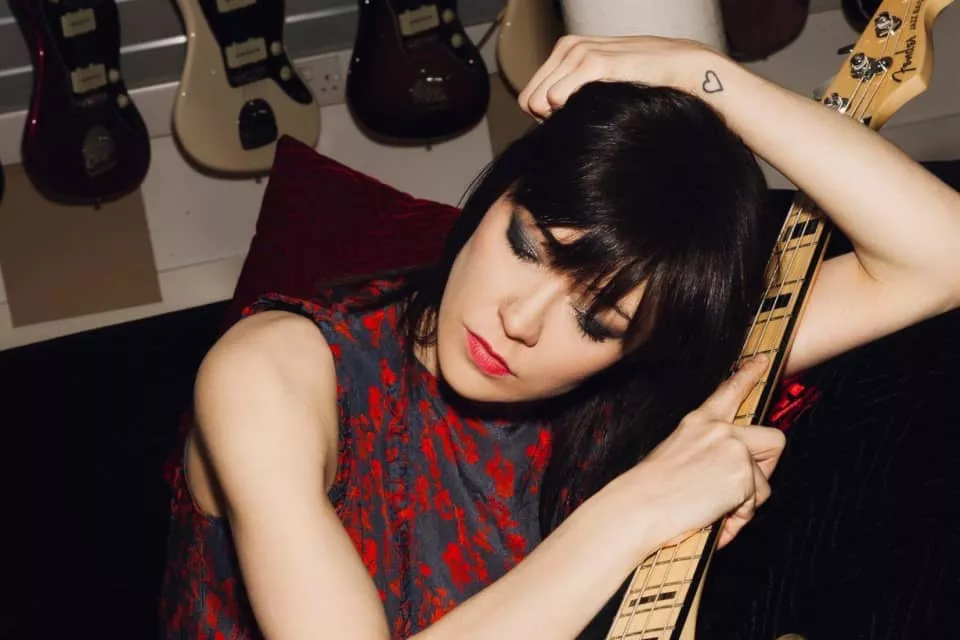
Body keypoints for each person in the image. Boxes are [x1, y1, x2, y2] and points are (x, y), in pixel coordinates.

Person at [159, 35, 960, 639]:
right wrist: (638, 511)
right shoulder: (270, 372)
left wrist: (702, 75)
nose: (521, 320)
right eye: (525, 245)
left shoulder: (629, 375)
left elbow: (942, 258)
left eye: (594, 320)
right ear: (498, 191)